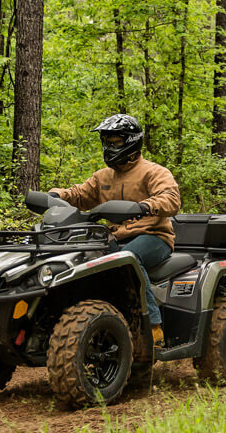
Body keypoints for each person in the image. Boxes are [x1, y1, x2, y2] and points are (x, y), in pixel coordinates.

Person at [49, 114, 180, 348]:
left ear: (132, 142)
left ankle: (154, 326)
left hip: (153, 237)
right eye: (107, 141)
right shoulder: (103, 176)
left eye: (116, 141)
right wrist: (58, 195)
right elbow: (81, 195)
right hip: (115, 237)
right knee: (83, 257)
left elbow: (171, 199)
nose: (110, 146)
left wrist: (146, 205)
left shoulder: (154, 172)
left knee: (128, 259)